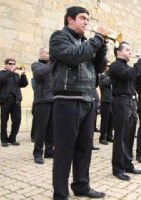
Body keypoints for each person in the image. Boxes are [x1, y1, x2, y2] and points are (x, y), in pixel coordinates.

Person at [49, 6, 108, 199]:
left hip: (88, 100)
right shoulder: (59, 37)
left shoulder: (87, 43)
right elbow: (74, 57)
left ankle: (81, 186)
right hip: (68, 100)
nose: (86, 22)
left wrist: (103, 46)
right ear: (70, 20)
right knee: (64, 151)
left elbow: (99, 67)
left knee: (84, 148)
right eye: (82, 18)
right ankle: (60, 194)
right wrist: (97, 39)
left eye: (88, 19)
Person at [109, 41, 141, 181]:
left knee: (130, 136)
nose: (130, 52)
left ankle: (127, 164)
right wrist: (139, 62)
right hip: (121, 102)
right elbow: (130, 76)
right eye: (127, 49)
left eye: (131, 50)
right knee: (120, 137)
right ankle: (118, 168)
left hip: (131, 102)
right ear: (119, 52)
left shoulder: (129, 67)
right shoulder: (116, 66)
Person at [0, 58, 28, 147]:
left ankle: (12, 138)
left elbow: (24, 84)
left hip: (16, 100)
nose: (12, 65)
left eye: (13, 63)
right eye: (10, 63)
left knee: (17, 120)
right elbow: (0, 80)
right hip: (5, 100)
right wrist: (10, 72)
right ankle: (4, 140)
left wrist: (23, 75)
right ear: (5, 64)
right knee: (4, 121)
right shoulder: (0, 73)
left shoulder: (16, 75)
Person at [31, 47, 54, 164]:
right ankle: (38, 153)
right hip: (42, 100)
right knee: (41, 128)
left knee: (52, 128)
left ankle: (49, 151)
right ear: (41, 54)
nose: (50, 54)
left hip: (53, 100)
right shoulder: (36, 65)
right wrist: (52, 62)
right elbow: (39, 74)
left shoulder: (52, 66)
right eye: (48, 52)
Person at [99, 63, 114, 145]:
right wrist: (110, 75)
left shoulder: (111, 77)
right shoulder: (102, 76)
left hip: (112, 101)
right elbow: (104, 83)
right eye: (108, 66)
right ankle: (102, 137)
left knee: (111, 120)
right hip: (105, 100)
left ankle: (109, 136)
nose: (109, 67)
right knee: (105, 120)